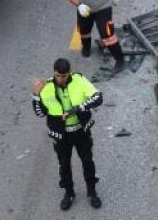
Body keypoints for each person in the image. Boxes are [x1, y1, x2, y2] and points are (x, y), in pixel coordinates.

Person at [32, 58, 104, 211]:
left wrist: (78, 108)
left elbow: (98, 97)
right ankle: (69, 193)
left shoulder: (79, 79)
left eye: (64, 76)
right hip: (61, 135)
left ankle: (92, 191)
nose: (61, 79)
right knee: (64, 165)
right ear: (54, 73)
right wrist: (35, 95)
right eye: (58, 76)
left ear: (69, 72)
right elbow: (39, 113)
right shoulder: (47, 87)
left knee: (87, 162)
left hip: (81, 131)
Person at [66, 0, 126, 72]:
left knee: (108, 35)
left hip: (103, 7)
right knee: (84, 31)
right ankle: (86, 48)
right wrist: (79, 5)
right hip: (85, 8)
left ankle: (120, 60)